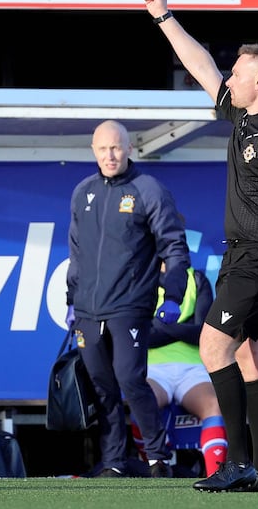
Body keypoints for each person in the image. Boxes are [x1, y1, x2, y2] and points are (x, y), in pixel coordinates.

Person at [144, 0, 258, 492]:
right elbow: (200, 65)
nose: (229, 79)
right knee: (251, 358)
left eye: (238, 73)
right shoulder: (243, 114)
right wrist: (164, 17)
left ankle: (237, 463)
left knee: (213, 345)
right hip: (241, 255)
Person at [66, 119, 191, 479]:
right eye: (103, 148)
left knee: (130, 380)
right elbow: (76, 252)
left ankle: (157, 457)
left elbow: (174, 246)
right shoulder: (82, 192)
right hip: (89, 308)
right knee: (102, 387)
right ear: (93, 150)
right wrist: (71, 299)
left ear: (129, 149)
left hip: (130, 305)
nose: (110, 155)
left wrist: (174, 295)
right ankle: (114, 461)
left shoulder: (148, 189)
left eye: (116, 147)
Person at [131, 262, 228, 477]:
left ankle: (217, 477)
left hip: (193, 369)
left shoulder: (197, 279)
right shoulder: (143, 277)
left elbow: (202, 332)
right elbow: (142, 334)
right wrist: (182, 329)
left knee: (214, 406)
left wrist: (162, 328)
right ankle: (157, 466)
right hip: (153, 369)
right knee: (140, 403)